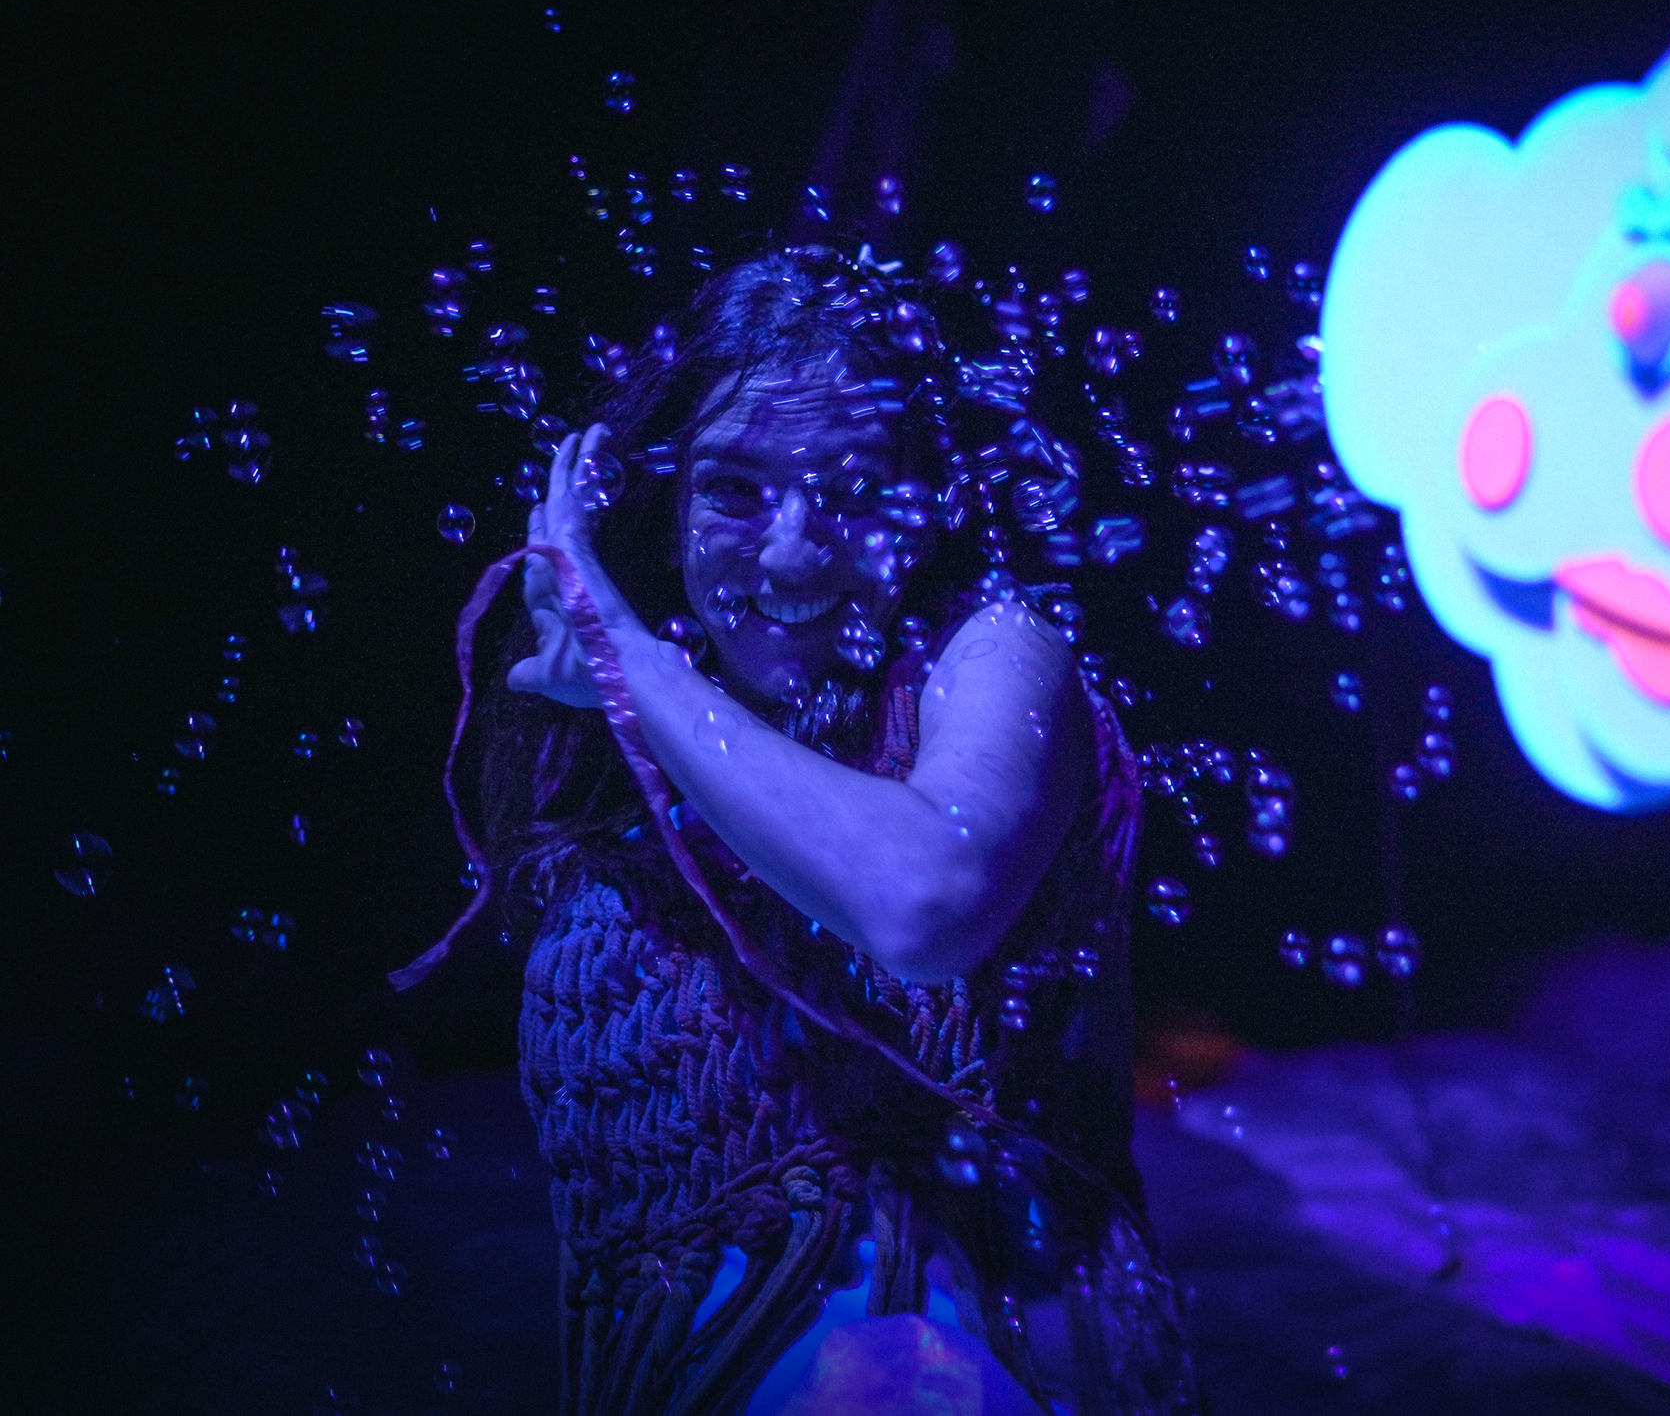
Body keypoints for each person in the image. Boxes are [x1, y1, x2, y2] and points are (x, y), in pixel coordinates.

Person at [401, 246, 1197, 1415]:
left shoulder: (994, 654)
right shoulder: (628, 729)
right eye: (734, 489)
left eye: (854, 489)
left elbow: (922, 900)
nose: (791, 549)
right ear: (662, 505)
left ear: (924, 502)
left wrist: (625, 655)